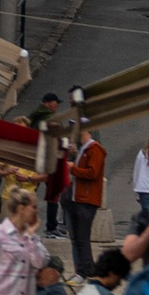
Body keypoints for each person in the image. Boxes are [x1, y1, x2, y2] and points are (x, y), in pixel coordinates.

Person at [63, 115, 106, 276]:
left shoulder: (94, 149)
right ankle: (82, 270)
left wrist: (73, 168)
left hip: (87, 200)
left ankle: (87, 270)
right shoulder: (83, 150)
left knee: (82, 239)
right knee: (78, 239)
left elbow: (93, 173)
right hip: (78, 198)